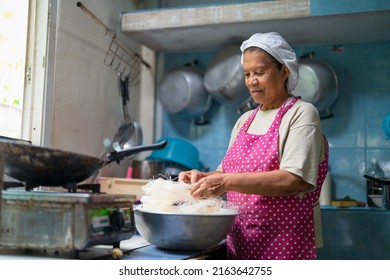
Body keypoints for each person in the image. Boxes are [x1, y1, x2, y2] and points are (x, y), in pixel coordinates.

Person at [178, 32, 329, 260]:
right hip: (241, 241)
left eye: (259, 72)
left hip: (283, 244)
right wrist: (202, 177)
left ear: (284, 71)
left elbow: (294, 180)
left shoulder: (301, 113)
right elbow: (225, 174)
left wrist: (224, 181)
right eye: (247, 74)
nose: (251, 81)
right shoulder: (244, 120)